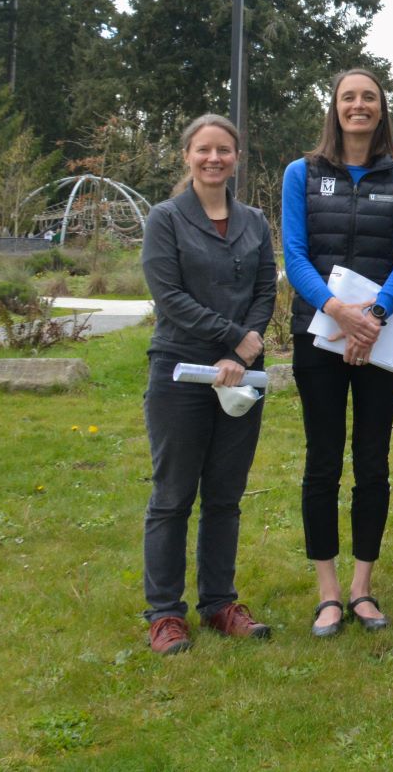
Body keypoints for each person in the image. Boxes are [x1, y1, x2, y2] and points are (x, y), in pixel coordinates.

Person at [282, 67, 393, 637]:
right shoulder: (302, 173)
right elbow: (294, 253)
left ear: (381, 108)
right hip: (317, 333)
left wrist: (373, 320)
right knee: (323, 460)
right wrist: (337, 311)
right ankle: (328, 593)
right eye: (349, 97)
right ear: (335, 107)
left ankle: (363, 587)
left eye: (369, 96)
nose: (359, 105)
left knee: (370, 461)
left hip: (380, 336)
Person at [139, 114, 277, 655]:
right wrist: (232, 339)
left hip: (241, 378)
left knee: (225, 496)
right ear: (187, 156)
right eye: (203, 149)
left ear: (236, 158)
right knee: (173, 496)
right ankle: (165, 614)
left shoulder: (255, 222)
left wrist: (246, 344)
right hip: (181, 371)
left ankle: (220, 602)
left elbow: (266, 287)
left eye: (224, 150)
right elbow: (168, 296)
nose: (214, 158)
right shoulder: (165, 219)